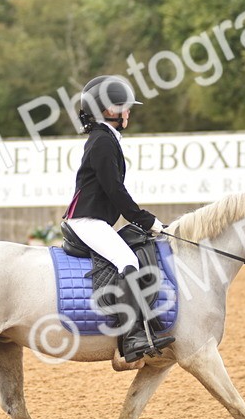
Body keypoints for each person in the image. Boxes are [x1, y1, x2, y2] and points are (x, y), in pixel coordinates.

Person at [62, 75, 174, 362]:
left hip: (94, 220)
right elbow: (114, 190)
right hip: (87, 221)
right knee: (129, 261)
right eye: (124, 107)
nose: (128, 112)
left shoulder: (106, 138)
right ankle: (132, 336)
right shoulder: (101, 141)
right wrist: (145, 220)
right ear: (108, 110)